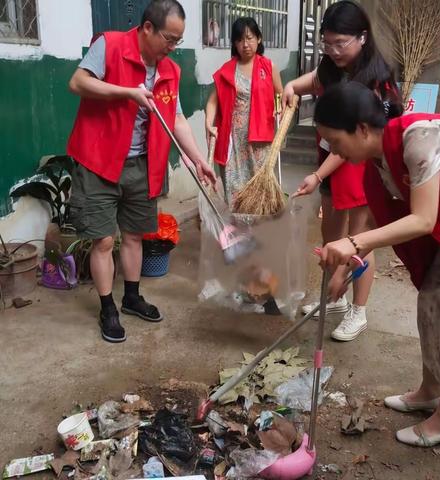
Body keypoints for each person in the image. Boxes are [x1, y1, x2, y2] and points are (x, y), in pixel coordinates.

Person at [315, 80, 440, 448]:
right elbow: (378, 220)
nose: (336, 152)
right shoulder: (377, 162)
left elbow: (422, 220)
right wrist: (345, 268)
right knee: (430, 304)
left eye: (337, 142)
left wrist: (352, 242)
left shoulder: (418, 141)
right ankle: (429, 392)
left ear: (361, 129)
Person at [67, 0, 216, 343]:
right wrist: (127, 93)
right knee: (105, 239)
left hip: (142, 163)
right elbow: (78, 82)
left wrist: (197, 159)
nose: (173, 47)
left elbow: (176, 118)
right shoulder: (110, 45)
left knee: (134, 235)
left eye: (179, 40)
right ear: (147, 28)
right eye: (170, 38)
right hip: (99, 159)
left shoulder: (170, 71)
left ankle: (131, 296)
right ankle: (108, 308)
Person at [283, 0, 401, 342]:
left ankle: (358, 311)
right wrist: (292, 87)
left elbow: (352, 144)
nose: (333, 50)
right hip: (333, 159)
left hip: (361, 164)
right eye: (327, 43)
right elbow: (314, 79)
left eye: (340, 43)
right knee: (331, 234)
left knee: (358, 239)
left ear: (362, 38)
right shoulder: (331, 68)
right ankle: (336, 300)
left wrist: (318, 175)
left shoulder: (376, 80)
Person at [205, 17, 283, 207]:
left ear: (259, 39)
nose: (245, 44)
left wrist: (279, 112)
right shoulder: (227, 70)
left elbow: (280, 95)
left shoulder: (268, 67)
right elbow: (212, 102)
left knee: (258, 189)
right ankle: (238, 231)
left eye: (249, 38)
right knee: (234, 188)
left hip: (260, 141)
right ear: (234, 44)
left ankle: (256, 232)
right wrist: (209, 122)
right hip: (233, 140)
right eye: (239, 40)